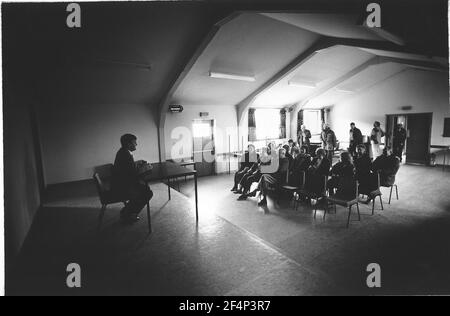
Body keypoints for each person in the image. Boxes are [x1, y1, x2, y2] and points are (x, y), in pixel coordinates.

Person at [112, 134, 153, 223]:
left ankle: (127, 210)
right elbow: (133, 174)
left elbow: (128, 168)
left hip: (120, 182)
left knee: (144, 188)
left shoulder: (123, 152)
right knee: (147, 193)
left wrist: (137, 163)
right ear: (128, 144)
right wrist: (146, 168)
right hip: (123, 186)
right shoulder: (126, 154)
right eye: (134, 142)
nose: (136, 144)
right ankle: (130, 214)